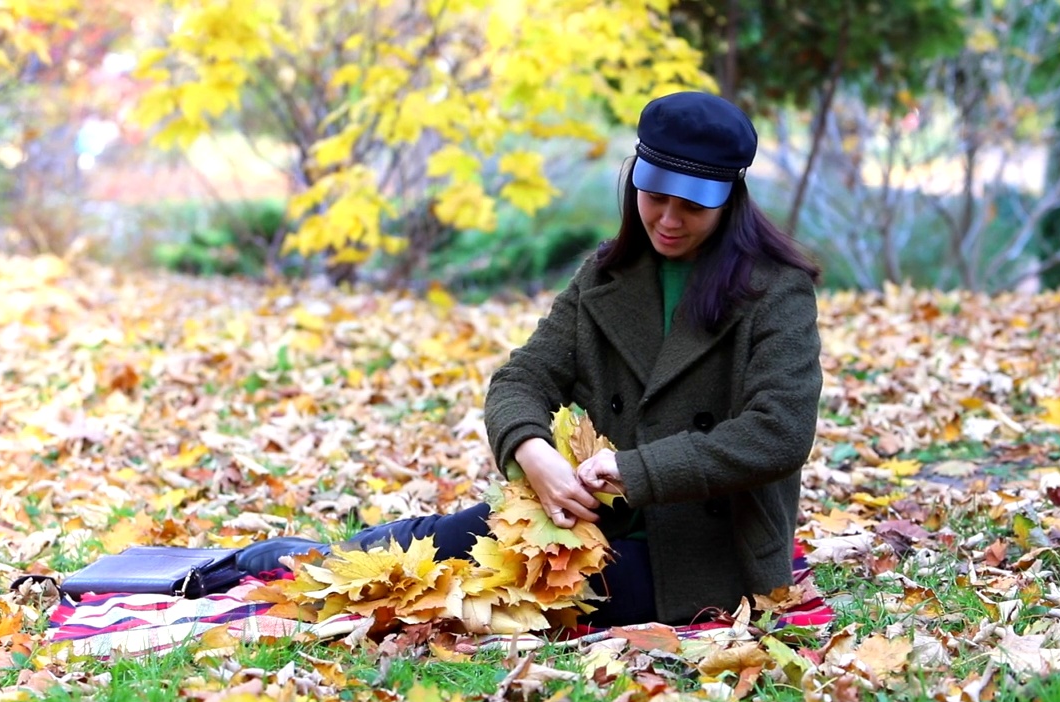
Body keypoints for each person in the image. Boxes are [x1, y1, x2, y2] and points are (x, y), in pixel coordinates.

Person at [237, 91, 823, 628]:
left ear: (728, 201)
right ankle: (280, 562)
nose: (667, 220)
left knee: (484, 595)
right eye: (655, 196)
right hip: (584, 515)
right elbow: (522, 378)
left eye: (691, 206)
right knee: (434, 543)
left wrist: (637, 472)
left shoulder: (776, 291)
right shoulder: (607, 274)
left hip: (707, 552)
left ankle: (303, 569)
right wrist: (532, 452)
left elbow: (778, 433)